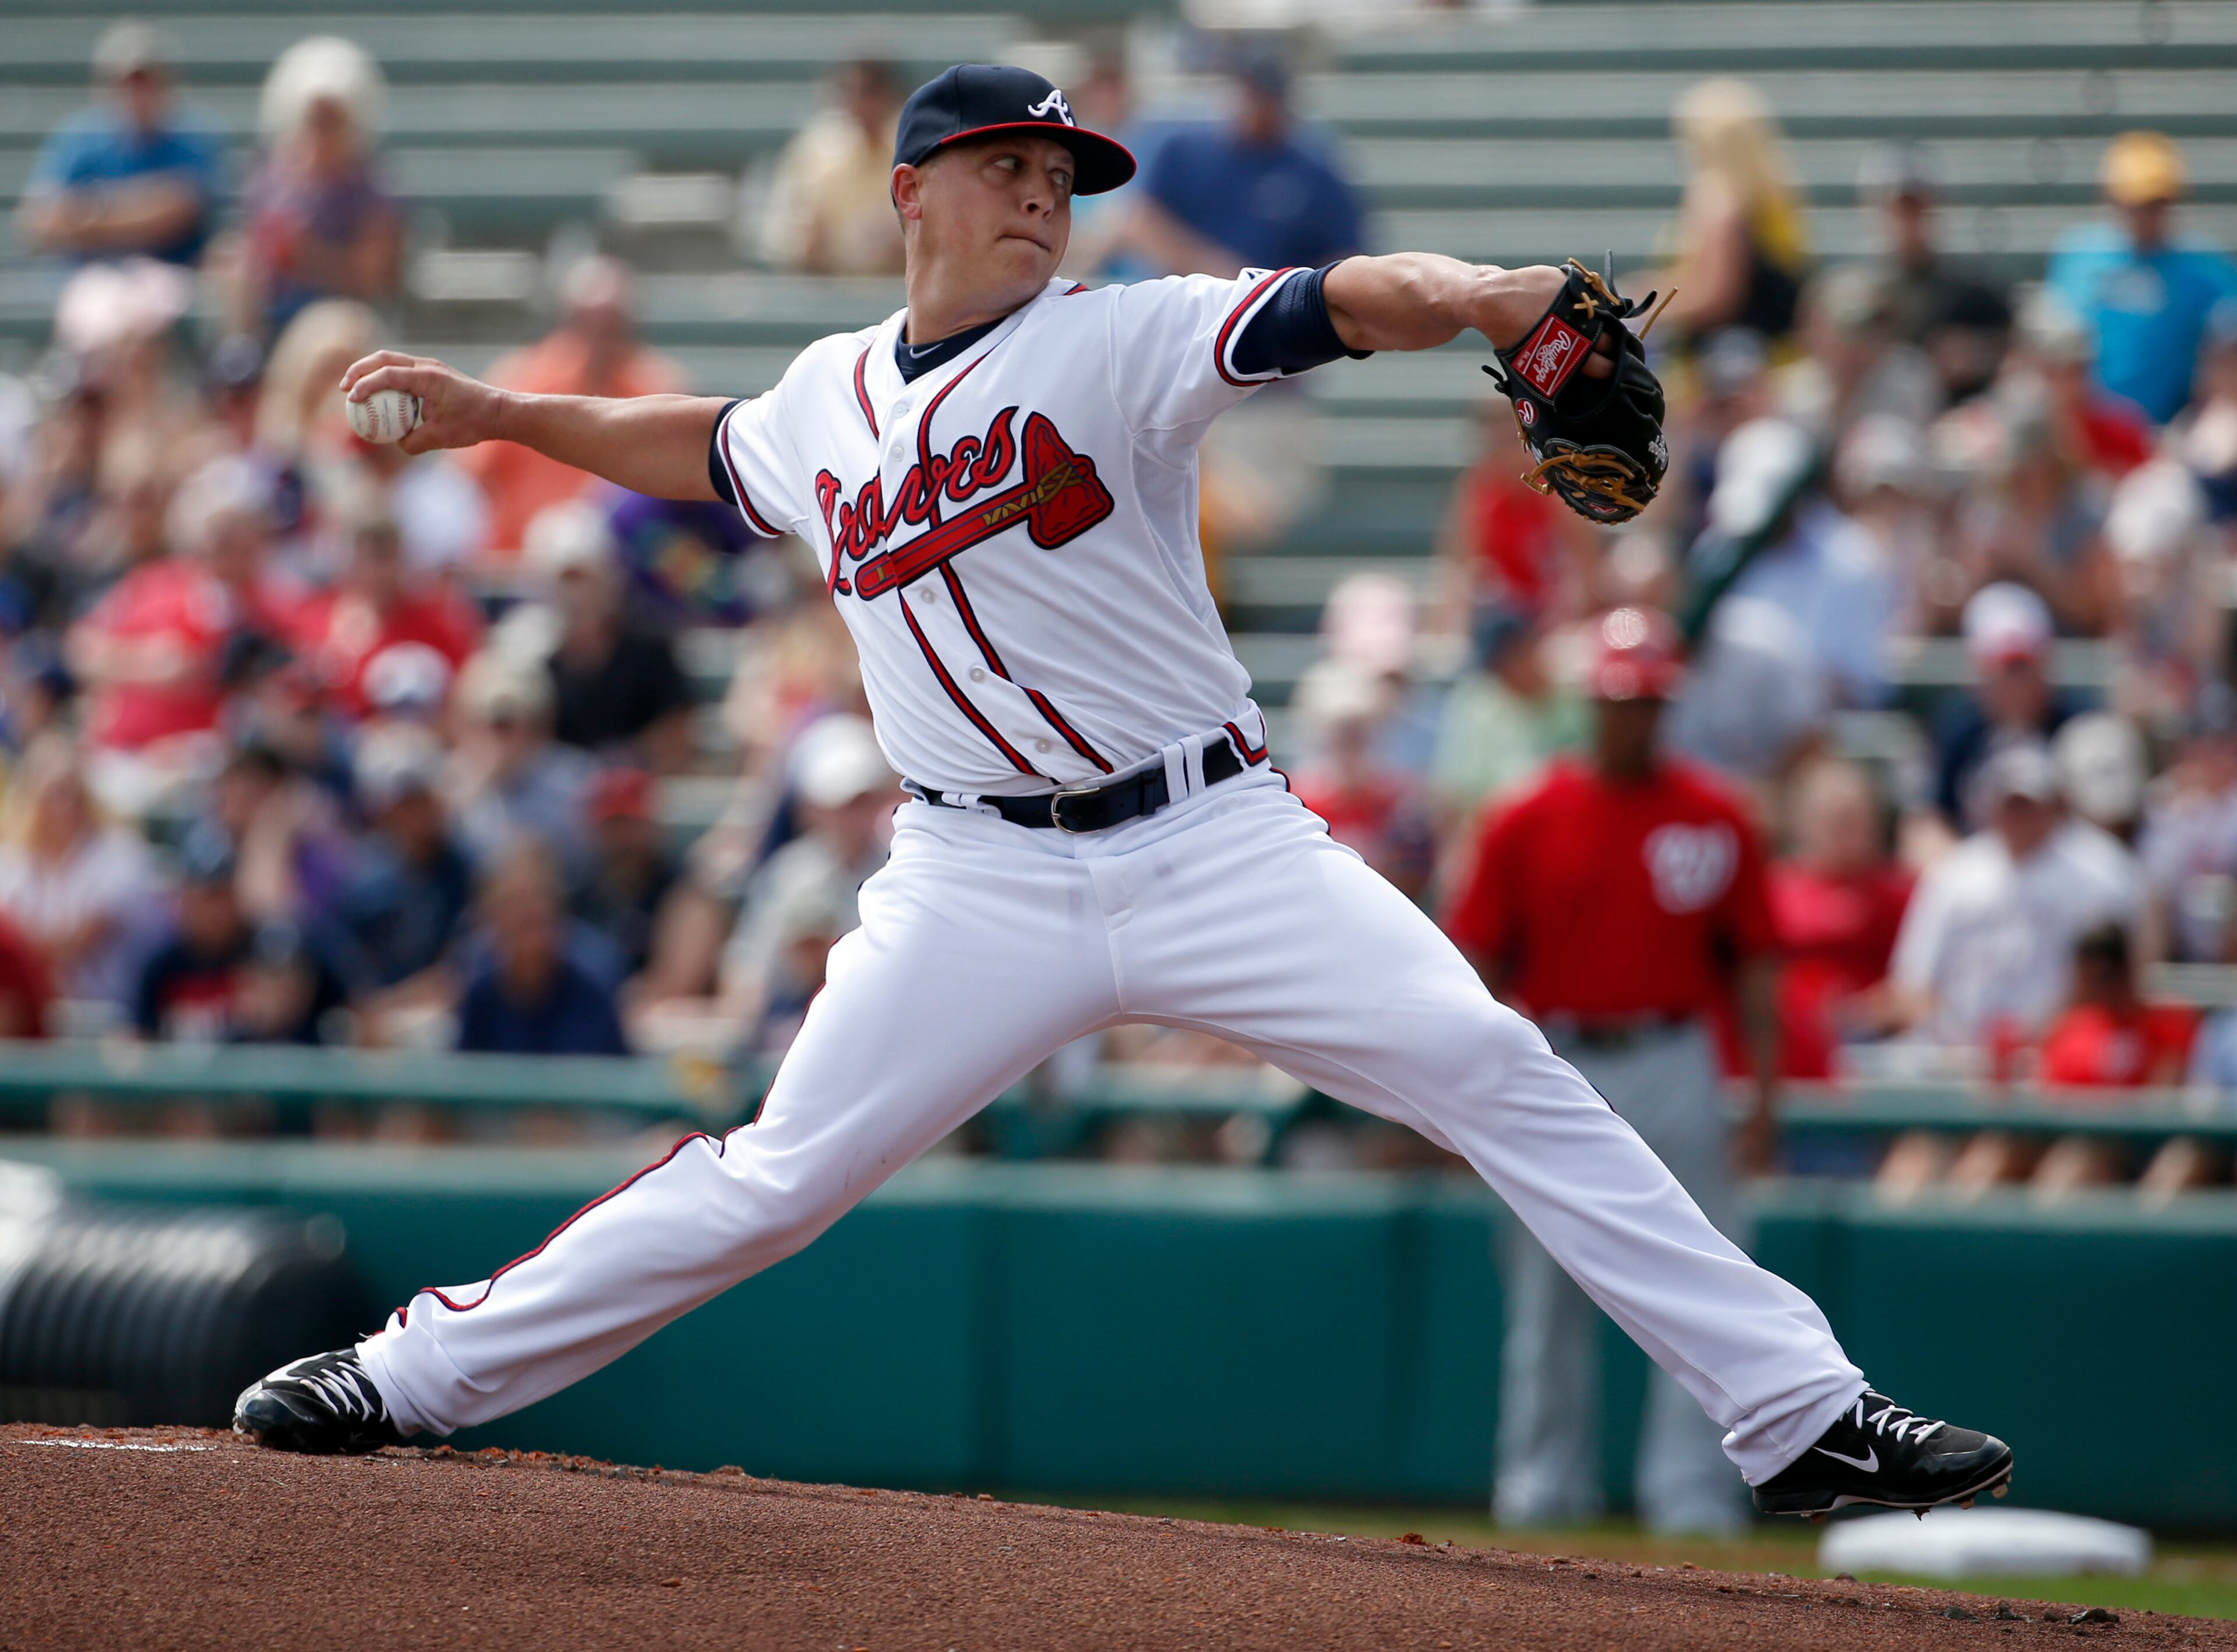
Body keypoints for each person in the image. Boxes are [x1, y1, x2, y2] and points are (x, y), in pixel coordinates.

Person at [237, 63, 2008, 1524]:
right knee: (772, 1177)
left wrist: (1479, 296)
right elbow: (698, 445)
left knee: (1492, 1069)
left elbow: (1336, 301)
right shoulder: (827, 400)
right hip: (969, 887)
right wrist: (499, 411)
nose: (1038, 195)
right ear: (909, 192)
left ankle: (1798, 1413)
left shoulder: (1122, 337)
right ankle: (404, 1374)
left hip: (1212, 841)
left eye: (1060, 173)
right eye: (1003, 165)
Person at [1446, 608, 1780, 1535]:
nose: (1633, 715)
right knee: (1547, 1291)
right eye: (1619, 698)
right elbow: (1475, 966)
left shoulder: (1715, 813)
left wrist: (1763, 1091)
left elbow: (1754, 963)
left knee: (1704, 1281)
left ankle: (1693, 1497)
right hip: (1561, 1055)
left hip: (1678, 1052)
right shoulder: (1524, 815)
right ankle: (1541, 1488)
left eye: (1649, 700)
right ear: (1591, 701)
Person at [1887, 740, 2140, 1051]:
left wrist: (2049, 1037)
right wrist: (1953, 1044)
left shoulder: (2101, 873)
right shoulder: (1953, 874)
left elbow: (2115, 982)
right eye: (2010, 804)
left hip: (2063, 1050)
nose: (2019, 815)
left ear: (2053, 804)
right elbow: (1914, 982)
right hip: (1955, 1055)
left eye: (2028, 804)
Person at [456, 258, 691, 556]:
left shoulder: (659, 391)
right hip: (521, 570)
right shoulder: (520, 384)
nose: (599, 339)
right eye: (587, 323)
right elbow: (467, 480)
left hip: (622, 576)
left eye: (612, 326)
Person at [2047, 132, 2237, 427]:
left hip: (2177, 429)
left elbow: (2224, 357)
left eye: (2155, 204)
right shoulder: (2078, 260)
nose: (2145, 215)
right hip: (2088, 429)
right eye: (2135, 203)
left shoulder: (2207, 272)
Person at [1124, 47, 1366, 279]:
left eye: (1265, 98)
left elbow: (1343, 255)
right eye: (1250, 95)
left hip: (1276, 310)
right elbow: (1140, 221)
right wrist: (1210, 269)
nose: (1255, 108)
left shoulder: (1314, 170)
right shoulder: (1183, 151)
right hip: (1187, 302)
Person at [15, 21, 223, 269]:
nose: (135, 96)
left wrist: (86, 213)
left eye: (145, 83)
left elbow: (178, 211)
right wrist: (137, 211)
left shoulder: (192, 137)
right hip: (90, 278)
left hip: (173, 274)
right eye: (125, 84)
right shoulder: (77, 139)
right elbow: (38, 222)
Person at [233, 37, 402, 338]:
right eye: (316, 120)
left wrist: (309, 257)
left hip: (340, 325)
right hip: (272, 319)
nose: (321, 132)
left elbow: (373, 278)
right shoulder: (273, 180)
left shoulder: (373, 189)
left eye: (330, 121)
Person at [518, 502, 697, 772]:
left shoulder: (650, 649)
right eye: (567, 581)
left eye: (585, 579)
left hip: (636, 797)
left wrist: (621, 766)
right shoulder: (524, 652)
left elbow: (677, 734)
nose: (577, 594)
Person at [1768, 758, 1911, 1079]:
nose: (1846, 832)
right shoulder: (1773, 891)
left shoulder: (1898, 894)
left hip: (1878, 1049)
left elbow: (1918, 982)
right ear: (1804, 822)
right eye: (1834, 819)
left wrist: (1864, 1012)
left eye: (1855, 819)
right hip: (1789, 1044)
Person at [0, 735, 163, 1008]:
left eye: (71, 792)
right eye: (52, 794)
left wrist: (20, 955)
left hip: (109, 1009)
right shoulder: (11, 859)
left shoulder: (121, 854)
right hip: (33, 1017)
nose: (64, 806)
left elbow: (78, 943)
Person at [1648, 79, 1809, 348]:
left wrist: (1645, 307)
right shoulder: (1775, 195)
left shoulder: (1719, 201)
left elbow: (1716, 296)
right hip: (1777, 352)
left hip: (1724, 363)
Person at [1857, 143, 2010, 405]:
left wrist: (1974, 357)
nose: (1908, 221)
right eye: (1900, 210)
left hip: (1961, 420)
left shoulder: (1973, 291)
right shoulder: (1859, 291)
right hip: (1881, 421)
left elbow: (2014, 350)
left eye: (1916, 208)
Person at [454, 843, 630, 1057]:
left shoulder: (594, 993)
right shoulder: (480, 998)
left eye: (539, 899)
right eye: (512, 903)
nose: (527, 912)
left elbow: (616, 1075)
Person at [1930, 583, 2076, 833]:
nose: (2015, 683)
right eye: (2005, 670)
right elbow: (1930, 821)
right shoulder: (1957, 732)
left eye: (2023, 667)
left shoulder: (2075, 728)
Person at [443, 650, 597, 881]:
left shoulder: (579, 781)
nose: (498, 736)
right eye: (489, 722)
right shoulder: (451, 783)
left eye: (508, 724)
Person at [759, 59, 908, 276]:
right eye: (850, 92)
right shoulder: (815, 152)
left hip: (902, 292)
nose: (860, 103)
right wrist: (814, 243)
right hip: (827, 291)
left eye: (870, 92)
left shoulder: (914, 150)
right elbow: (785, 238)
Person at [574, 766, 676, 977]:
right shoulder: (578, 894)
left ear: (652, 825)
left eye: (630, 824)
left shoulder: (679, 891)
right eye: (612, 825)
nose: (621, 838)